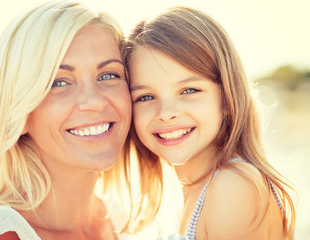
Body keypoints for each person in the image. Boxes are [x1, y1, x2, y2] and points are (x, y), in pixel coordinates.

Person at [0, 1, 161, 239]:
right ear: (19, 114)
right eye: (59, 82)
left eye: (108, 75)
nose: (94, 101)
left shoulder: (124, 221)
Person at [125, 6, 296, 240]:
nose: (165, 113)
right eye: (145, 97)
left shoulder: (233, 187)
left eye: (189, 90)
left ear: (226, 97)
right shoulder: (184, 195)